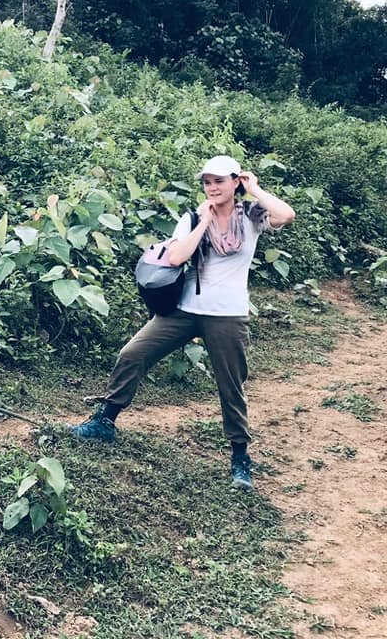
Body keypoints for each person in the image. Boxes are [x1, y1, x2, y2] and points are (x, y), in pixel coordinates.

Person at [70, 155, 295, 491]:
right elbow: (176, 257)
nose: (212, 187)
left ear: (236, 181)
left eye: (220, 181)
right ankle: (105, 421)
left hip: (228, 314)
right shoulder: (192, 217)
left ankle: (239, 457)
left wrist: (256, 189)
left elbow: (286, 215)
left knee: (230, 385)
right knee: (133, 353)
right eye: (207, 182)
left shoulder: (251, 215)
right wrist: (204, 221)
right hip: (185, 309)